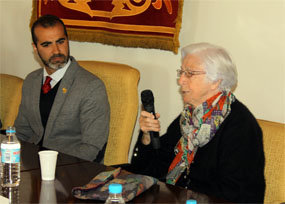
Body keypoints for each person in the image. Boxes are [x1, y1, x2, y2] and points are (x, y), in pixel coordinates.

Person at [129, 43, 265, 203]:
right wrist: (147, 137)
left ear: (215, 81)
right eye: (181, 72)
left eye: (190, 74)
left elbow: (232, 194)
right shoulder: (189, 117)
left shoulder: (240, 127)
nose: (180, 81)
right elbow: (151, 170)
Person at [14, 14, 110, 162]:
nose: (56, 51)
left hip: (70, 170)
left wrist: (50, 168)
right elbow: (21, 132)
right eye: (47, 45)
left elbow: (92, 148)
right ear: (35, 48)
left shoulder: (91, 86)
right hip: (30, 166)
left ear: (67, 40)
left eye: (60, 41)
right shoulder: (31, 81)